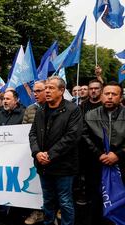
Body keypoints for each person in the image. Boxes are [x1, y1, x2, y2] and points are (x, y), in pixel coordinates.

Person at [29, 76, 82, 225]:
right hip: (43, 165)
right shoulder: (40, 110)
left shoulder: (73, 110)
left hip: (64, 166)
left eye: (51, 88)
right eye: (46, 88)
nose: (47, 91)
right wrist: (37, 152)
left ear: (62, 91)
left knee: (65, 201)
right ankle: (48, 222)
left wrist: (50, 155)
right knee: (48, 199)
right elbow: (33, 133)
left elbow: (72, 136)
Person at [83, 82, 125, 225]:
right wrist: (99, 154)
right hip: (97, 166)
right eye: (107, 94)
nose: (110, 97)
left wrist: (118, 154)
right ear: (102, 96)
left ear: (120, 97)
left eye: (114, 94)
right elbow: (84, 137)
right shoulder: (90, 115)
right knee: (96, 202)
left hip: (121, 166)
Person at [22, 81, 46, 224]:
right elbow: (24, 128)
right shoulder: (30, 108)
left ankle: (55, 211)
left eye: (38, 91)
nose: (35, 94)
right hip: (34, 152)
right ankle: (38, 211)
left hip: (51, 153)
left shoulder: (57, 108)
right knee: (35, 184)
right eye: (34, 91)